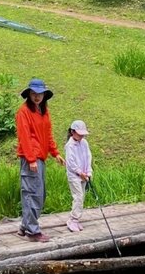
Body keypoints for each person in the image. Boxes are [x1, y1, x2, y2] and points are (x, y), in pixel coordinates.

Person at [15, 78, 63, 242]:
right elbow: (24, 137)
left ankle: (25, 226)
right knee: (32, 193)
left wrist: (55, 153)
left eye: (40, 94)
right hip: (31, 159)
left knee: (40, 194)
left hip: (40, 157)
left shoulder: (43, 111)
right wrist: (31, 159)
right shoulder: (23, 112)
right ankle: (32, 231)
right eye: (34, 93)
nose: (37, 97)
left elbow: (48, 134)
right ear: (29, 94)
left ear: (44, 95)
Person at [64, 119, 92, 233]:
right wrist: (80, 172)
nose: (81, 136)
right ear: (72, 132)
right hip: (74, 176)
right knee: (78, 197)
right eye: (79, 134)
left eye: (82, 134)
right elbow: (71, 163)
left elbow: (88, 157)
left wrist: (88, 172)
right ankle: (73, 219)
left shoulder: (84, 143)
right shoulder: (69, 145)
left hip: (84, 175)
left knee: (82, 197)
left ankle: (75, 219)